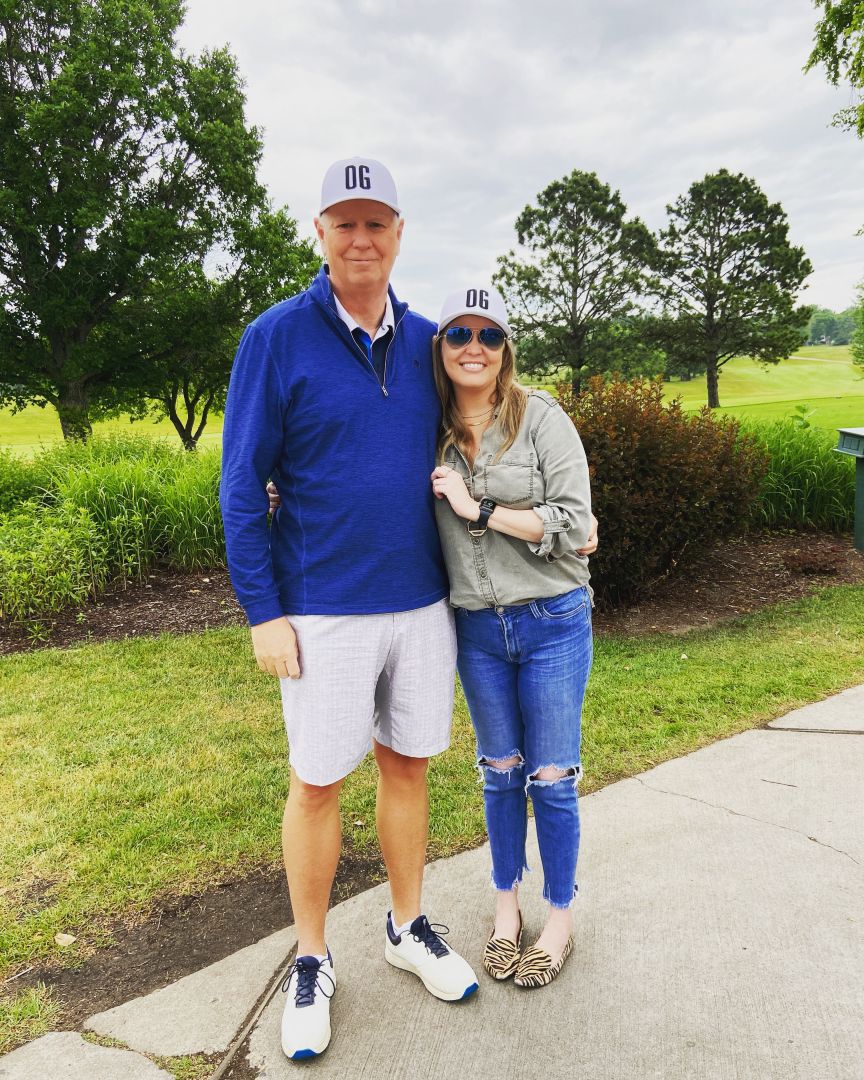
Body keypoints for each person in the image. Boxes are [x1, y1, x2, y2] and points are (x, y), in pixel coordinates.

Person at [219, 158, 479, 1062]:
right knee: (318, 782)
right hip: (321, 609)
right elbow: (242, 484)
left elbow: (490, 419)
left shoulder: (430, 342)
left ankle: (406, 927)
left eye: (377, 223)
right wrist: (262, 611)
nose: (361, 239)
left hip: (422, 602)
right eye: (345, 223)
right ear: (321, 233)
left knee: (407, 766)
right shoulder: (275, 337)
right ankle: (312, 957)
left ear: (399, 234)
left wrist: (562, 503)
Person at [429, 283, 594, 989]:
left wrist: (479, 507)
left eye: (489, 335)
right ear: (440, 347)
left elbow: (575, 523)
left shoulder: (542, 419)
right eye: (459, 334)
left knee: (550, 779)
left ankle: (558, 919)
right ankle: (507, 911)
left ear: (506, 348)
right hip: (477, 629)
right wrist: (286, 490)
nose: (475, 347)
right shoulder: (428, 429)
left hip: (551, 619)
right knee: (499, 775)